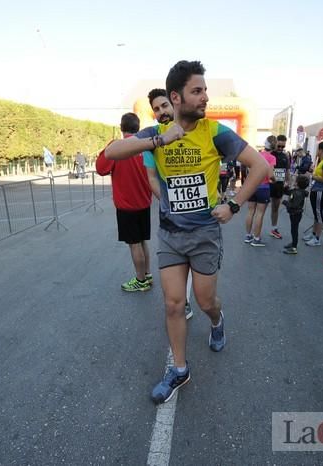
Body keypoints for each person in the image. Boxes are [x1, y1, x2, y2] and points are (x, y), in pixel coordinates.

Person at [105, 60, 267, 404]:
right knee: (174, 303)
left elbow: (261, 166)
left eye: (205, 90)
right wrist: (158, 142)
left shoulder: (214, 132)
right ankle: (180, 370)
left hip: (205, 233)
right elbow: (112, 153)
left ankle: (217, 318)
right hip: (171, 234)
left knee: (205, 301)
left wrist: (234, 205)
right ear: (177, 97)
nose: (205, 97)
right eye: (198, 91)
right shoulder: (154, 134)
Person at [146, 88, 194, 320]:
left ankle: (190, 302)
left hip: (199, 217)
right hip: (170, 217)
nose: (161, 112)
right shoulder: (153, 137)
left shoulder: (196, 130)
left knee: (196, 267)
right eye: (156, 109)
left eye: (164, 105)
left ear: (174, 103)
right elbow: (151, 177)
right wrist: (167, 203)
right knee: (177, 265)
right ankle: (182, 302)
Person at [96, 113, 153, 292]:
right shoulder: (145, 146)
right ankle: (147, 274)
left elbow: (100, 168)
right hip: (144, 202)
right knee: (143, 241)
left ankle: (140, 279)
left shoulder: (117, 147)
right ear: (138, 127)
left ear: (121, 128)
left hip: (127, 205)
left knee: (134, 244)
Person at [243, 135, 276, 247]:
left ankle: (248, 236)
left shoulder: (257, 154)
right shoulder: (272, 158)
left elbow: (249, 169)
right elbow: (270, 175)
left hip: (252, 186)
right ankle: (256, 239)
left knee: (250, 211)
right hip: (263, 187)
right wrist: (274, 180)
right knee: (260, 214)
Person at [304, 141, 323, 246]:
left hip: (320, 191)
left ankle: (317, 238)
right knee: (316, 214)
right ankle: (313, 234)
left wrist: (312, 176)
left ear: (321, 150)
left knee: (318, 214)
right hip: (316, 190)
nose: (317, 151)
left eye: (318, 149)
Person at [282, 175, 310, 255]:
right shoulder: (296, 190)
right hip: (294, 213)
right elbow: (287, 192)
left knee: (294, 230)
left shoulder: (298, 193)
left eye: (295, 180)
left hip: (296, 214)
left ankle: (294, 247)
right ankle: (293, 243)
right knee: (293, 229)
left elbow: (294, 205)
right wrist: (285, 188)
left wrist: (285, 203)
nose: (294, 181)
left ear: (297, 183)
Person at [269, 134, 290, 239]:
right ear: (275, 143)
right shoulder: (270, 154)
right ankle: (255, 231)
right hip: (268, 184)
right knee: (260, 209)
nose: (281, 149)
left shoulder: (285, 156)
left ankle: (274, 228)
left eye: (283, 147)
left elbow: (287, 171)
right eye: (279, 146)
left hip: (279, 185)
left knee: (275, 208)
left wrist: (288, 181)